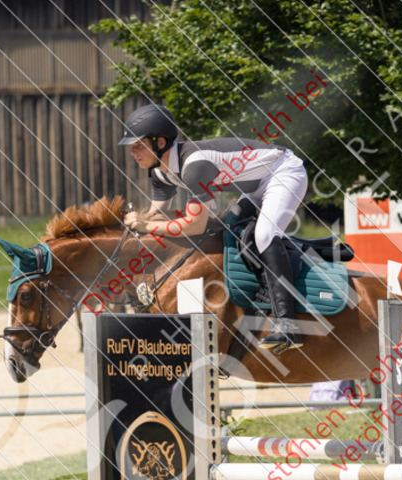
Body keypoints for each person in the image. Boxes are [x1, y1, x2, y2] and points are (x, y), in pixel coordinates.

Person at [119, 104, 307, 354]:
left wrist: (148, 224)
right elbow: (156, 213)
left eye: (139, 145)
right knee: (226, 227)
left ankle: (287, 323)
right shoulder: (160, 173)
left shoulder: (195, 166)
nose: (132, 152)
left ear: (160, 143)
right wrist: (137, 221)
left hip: (283, 173)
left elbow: (195, 225)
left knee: (264, 235)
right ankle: (257, 295)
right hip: (255, 187)